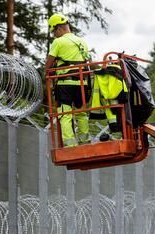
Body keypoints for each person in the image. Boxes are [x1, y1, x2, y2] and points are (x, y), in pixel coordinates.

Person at [44, 14, 90, 147]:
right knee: (81, 113)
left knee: (65, 114)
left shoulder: (58, 42)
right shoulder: (82, 42)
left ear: (58, 28)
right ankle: (85, 142)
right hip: (82, 83)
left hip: (65, 84)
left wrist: (49, 70)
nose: (54, 35)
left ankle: (70, 145)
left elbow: (49, 65)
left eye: (54, 31)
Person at [91, 61, 129, 141]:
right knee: (118, 124)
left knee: (114, 123)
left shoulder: (99, 76)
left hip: (109, 109)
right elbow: (119, 88)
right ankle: (118, 138)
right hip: (117, 115)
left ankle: (117, 137)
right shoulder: (117, 72)